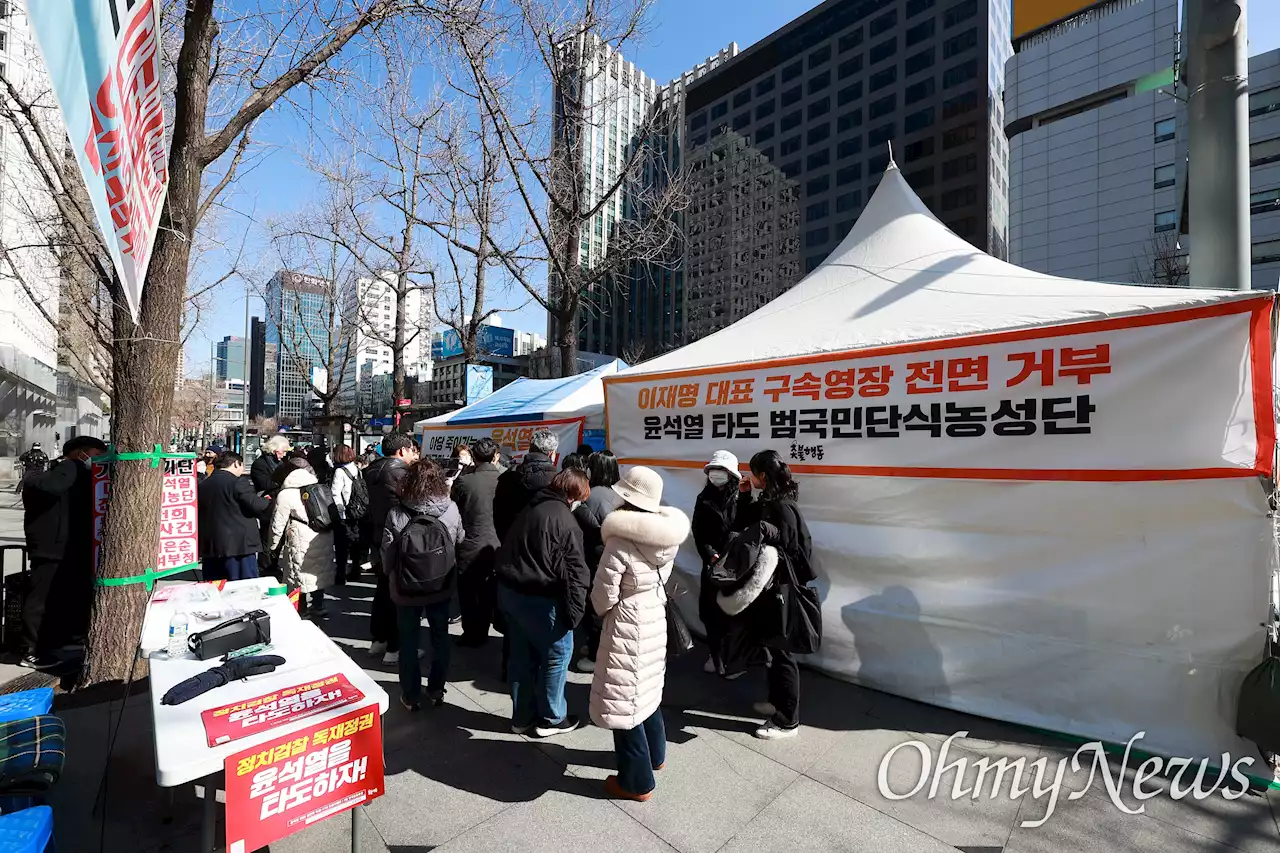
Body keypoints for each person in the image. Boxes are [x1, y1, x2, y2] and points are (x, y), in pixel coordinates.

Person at [590, 466, 690, 801]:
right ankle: (656, 757)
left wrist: (603, 612)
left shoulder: (620, 541)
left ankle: (636, 782)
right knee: (646, 691)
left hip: (626, 622)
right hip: (653, 614)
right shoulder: (667, 537)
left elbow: (603, 595)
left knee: (624, 700)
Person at [494, 468, 591, 737]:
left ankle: (521, 716)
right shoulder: (565, 521)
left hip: (512, 593)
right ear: (574, 495)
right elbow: (576, 573)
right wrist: (574, 614)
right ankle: (552, 717)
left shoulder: (531, 508)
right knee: (557, 657)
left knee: (521, 658)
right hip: (542, 600)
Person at [735, 450, 816, 740]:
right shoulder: (770, 502)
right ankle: (776, 703)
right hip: (771, 588)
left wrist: (769, 551)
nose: (750, 477)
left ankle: (787, 721)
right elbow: (743, 524)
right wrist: (744, 495)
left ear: (764, 476)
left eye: (753, 473)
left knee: (783, 653)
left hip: (782, 589)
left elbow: (794, 552)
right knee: (772, 648)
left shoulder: (782, 507)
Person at [381, 459, 464, 710]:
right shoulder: (450, 508)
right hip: (441, 583)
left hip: (406, 587)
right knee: (440, 637)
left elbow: (387, 553)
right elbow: (460, 538)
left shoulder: (397, 512)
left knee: (408, 640)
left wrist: (390, 576)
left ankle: (411, 694)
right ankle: (436, 689)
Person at [20, 435, 108, 668]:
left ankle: (65, 639)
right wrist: (73, 465)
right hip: (51, 549)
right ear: (80, 453)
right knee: (42, 598)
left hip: (75, 549)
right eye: (96, 455)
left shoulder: (81, 478)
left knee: (69, 596)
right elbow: (52, 487)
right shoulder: (55, 475)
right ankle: (33, 650)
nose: (98, 461)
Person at [364, 433, 420, 663]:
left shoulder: (370, 470)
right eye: (410, 450)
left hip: (378, 536)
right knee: (400, 594)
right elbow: (414, 504)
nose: (412, 455)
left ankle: (379, 639)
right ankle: (396, 647)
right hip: (398, 538)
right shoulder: (399, 473)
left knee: (383, 590)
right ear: (401, 451)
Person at [692, 450, 749, 678]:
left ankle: (733, 658)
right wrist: (711, 555)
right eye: (714, 471)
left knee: (734, 614)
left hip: (737, 567)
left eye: (722, 471)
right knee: (710, 613)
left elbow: (747, 528)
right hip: (713, 566)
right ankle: (715, 657)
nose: (716, 475)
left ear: (732, 475)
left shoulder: (740, 498)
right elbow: (698, 532)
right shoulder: (703, 498)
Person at [266, 457, 337, 619]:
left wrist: (273, 546)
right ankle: (318, 605)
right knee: (319, 571)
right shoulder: (320, 488)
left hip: (300, 537)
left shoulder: (286, 494)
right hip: (322, 534)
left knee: (298, 575)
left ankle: (302, 609)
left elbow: (277, 525)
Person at [571, 450, 623, 672]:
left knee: (594, 607)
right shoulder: (619, 494)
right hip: (614, 559)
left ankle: (595, 654)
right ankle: (599, 648)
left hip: (594, 559)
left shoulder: (591, 496)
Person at [452, 438, 503, 647]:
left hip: (470, 543)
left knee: (468, 592)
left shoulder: (465, 481)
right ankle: (483, 628)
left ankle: (472, 632)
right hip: (497, 543)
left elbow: (455, 507)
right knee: (489, 590)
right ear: (495, 456)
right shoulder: (505, 478)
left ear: (473, 456)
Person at [198, 450, 271, 581]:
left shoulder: (203, 484)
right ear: (236, 464)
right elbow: (256, 505)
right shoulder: (237, 482)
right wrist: (267, 501)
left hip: (210, 547)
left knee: (214, 589)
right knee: (243, 588)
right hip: (239, 547)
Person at [493, 430, 559, 541]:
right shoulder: (557, 482)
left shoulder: (508, 476)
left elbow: (498, 515)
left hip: (511, 543)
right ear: (551, 453)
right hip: (542, 547)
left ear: (530, 449)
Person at [330, 444, 362, 584]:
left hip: (345, 513)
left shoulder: (339, 472)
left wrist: (340, 513)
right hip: (357, 511)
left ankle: (340, 574)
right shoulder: (357, 469)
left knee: (341, 546)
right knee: (355, 543)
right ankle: (355, 570)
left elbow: (335, 493)